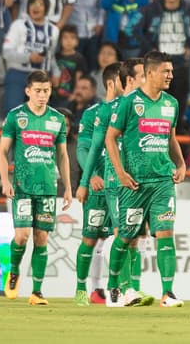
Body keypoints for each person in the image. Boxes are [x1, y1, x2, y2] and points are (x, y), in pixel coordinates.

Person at [103, 51, 187, 307]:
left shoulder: (171, 103)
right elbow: (110, 138)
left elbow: (171, 138)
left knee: (165, 233)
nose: (171, 75)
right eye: (166, 71)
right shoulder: (129, 103)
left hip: (162, 180)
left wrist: (181, 163)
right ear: (150, 73)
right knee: (127, 236)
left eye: (171, 71)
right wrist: (120, 172)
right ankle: (113, 285)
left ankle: (168, 292)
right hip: (135, 182)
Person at [0, 69, 72, 307]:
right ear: (28, 91)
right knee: (22, 236)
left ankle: (37, 292)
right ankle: (13, 270)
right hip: (22, 186)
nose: (42, 95)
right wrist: (5, 181)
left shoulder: (57, 119)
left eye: (46, 91)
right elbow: (2, 152)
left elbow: (62, 155)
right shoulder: (15, 116)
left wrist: (68, 187)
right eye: (38, 91)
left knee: (41, 238)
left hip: (48, 187)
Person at [73, 60, 123, 305]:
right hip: (98, 185)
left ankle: (115, 287)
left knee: (120, 237)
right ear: (113, 83)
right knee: (91, 238)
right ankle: (85, 288)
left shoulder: (130, 110)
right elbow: (83, 148)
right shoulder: (93, 114)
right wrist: (90, 175)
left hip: (121, 185)